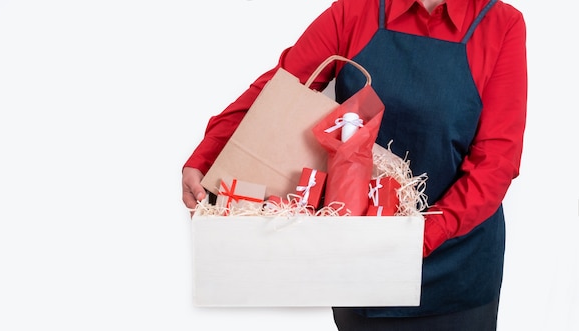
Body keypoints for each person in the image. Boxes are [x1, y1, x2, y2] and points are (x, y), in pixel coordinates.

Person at [182, 0, 527, 329]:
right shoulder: (355, 10)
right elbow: (280, 88)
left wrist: (411, 241)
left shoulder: (501, 24)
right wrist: (206, 156)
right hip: (360, 264)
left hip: (456, 271)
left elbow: (496, 162)